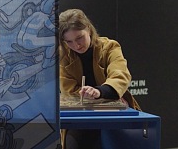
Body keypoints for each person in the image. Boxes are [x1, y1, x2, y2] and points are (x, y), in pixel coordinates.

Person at [59, 8, 141, 149]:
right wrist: (103, 98)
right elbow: (68, 92)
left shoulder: (110, 47)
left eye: (79, 38)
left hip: (114, 114)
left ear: (89, 29)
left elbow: (120, 75)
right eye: (69, 42)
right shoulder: (63, 56)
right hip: (81, 117)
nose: (76, 45)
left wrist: (99, 92)